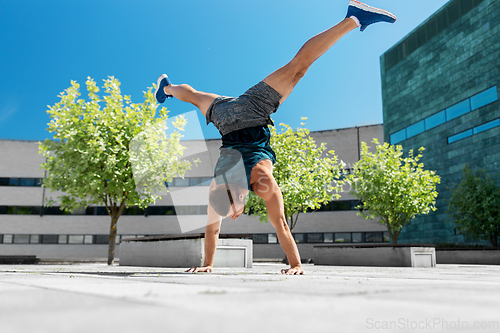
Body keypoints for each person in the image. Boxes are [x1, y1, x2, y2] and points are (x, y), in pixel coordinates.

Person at [155, 0, 396, 275]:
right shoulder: (219, 190)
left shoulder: (262, 182)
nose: (236, 215)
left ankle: (353, 19)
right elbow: (214, 231)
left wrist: (295, 265)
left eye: (235, 210)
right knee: (197, 97)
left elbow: (279, 224)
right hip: (224, 115)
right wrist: (207, 265)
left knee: (298, 68)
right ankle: (168, 88)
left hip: (251, 112)